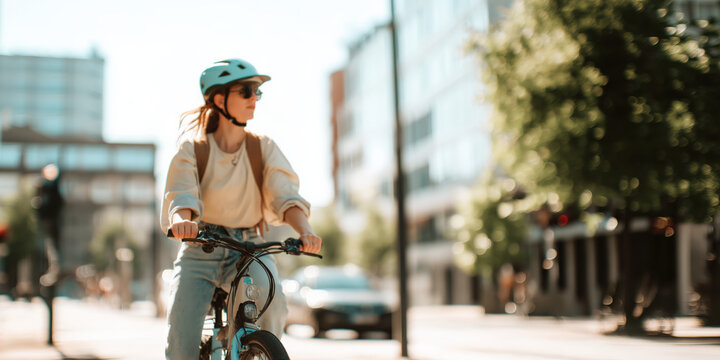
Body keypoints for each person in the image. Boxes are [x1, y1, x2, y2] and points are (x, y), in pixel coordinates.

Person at [160, 58, 322, 359]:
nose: (254, 99)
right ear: (219, 99)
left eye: (257, 92)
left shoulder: (263, 147)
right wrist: (183, 221)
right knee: (181, 338)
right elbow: (182, 196)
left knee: (273, 309)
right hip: (201, 246)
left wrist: (306, 231)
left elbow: (285, 195)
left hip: (249, 248)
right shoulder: (193, 149)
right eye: (246, 91)